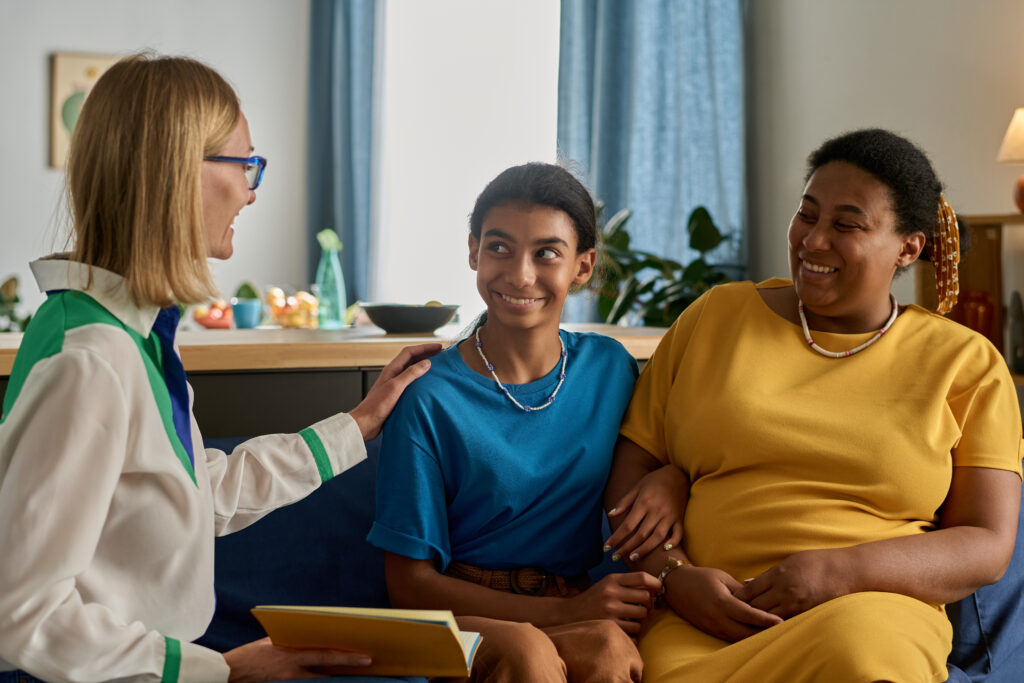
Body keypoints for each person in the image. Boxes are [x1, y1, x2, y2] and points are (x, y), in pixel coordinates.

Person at [0, 53, 440, 683]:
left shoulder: (135, 336)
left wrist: (358, 426)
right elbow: (26, 613)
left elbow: (201, 494)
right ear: (178, 171)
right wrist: (219, 672)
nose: (253, 189)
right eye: (246, 164)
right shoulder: (92, 360)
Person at [604, 128, 1024, 682]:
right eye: (807, 214)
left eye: (846, 225)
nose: (814, 240)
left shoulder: (964, 362)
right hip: (706, 618)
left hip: (869, 614)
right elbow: (629, 485)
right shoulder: (716, 317)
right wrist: (675, 577)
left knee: (857, 658)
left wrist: (839, 573)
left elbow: (987, 545)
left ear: (908, 247)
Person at [368, 162, 683, 682]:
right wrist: (564, 614)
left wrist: (671, 478)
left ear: (582, 267)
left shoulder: (611, 370)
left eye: (546, 254)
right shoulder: (428, 395)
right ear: (473, 251)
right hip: (467, 618)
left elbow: (655, 456)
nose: (519, 275)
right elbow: (408, 584)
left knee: (608, 647)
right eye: (499, 248)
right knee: (527, 651)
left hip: (574, 601)